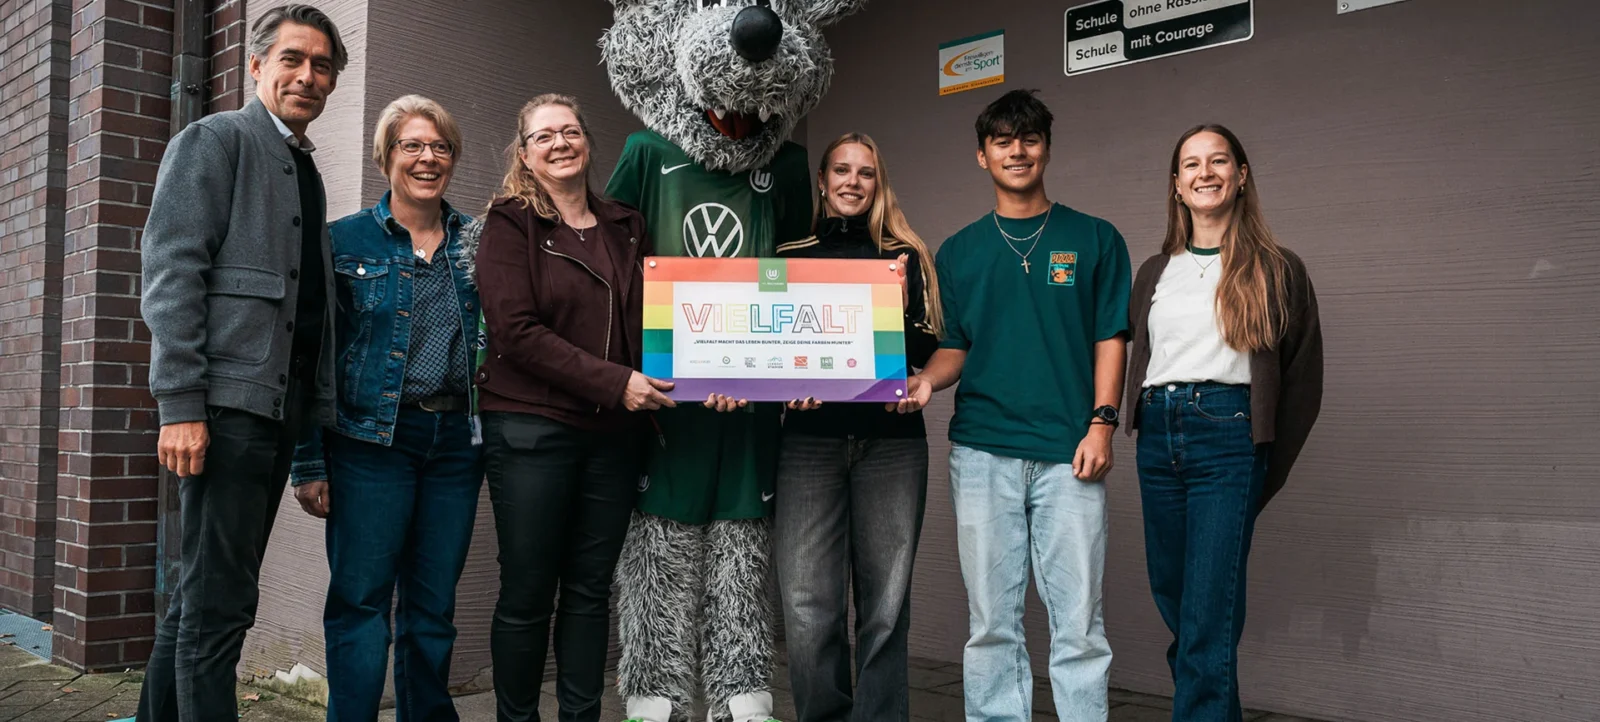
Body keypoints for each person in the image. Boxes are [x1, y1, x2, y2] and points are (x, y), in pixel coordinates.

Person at [133, 5, 346, 721]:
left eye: (322, 65)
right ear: (256, 66)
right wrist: (181, 406)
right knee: (220, 611)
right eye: (292, 59)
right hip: (225, 412)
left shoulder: (300, 167)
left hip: (273, 413)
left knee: (202, 599)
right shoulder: (216, 140)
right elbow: (171, 274)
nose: (307, 76)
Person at [902, 89, 1132, 722]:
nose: (1017, 150)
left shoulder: (1095, 237)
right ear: (982, 157)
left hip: (1069, 454)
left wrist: (1102, 424)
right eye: (1003, 141)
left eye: (1029, 139)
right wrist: (925, 381)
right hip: (981, 455)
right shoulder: (958, 251)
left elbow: (1110, 337)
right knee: (992, 623)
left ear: (1047, 149)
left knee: (1079, 624)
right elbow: (956, 348)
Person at [472, 94, 670, 722]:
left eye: (570, 131)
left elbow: (653, 323)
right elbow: (515, 332)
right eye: (543, 136)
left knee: (589, 594)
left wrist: (711, 371)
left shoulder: (626, 224)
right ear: (524, 154)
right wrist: (615, 383)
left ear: (587, 142)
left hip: (613, 436)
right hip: (532, 430)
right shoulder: (510, 222)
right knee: (529, 592)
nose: (560, 143)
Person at [286, 95, 482, 722]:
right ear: (386, 157)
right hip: (369, 445)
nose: (428, 159)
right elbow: (310, 353)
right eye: (412, 146)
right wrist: (308, 459)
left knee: (433, 606)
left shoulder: (479, 245)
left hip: (454, 444)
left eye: (440, 147)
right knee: (362, 602)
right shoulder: (343, 241)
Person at [1124, 124, 1323, 722]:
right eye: (1191, 164)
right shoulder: (1153, 272)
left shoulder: (1277, 268)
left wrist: (1261, 467)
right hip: (1157, 437)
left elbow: (1303, 384)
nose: (1204, 172)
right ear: (1176, 186)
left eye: (1218, 161)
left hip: (1230, 438)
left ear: (1240, 177)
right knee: (1180, 603)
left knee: (1208, 614)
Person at [771, 132, 941, 722]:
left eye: (865, 173)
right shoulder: (787, 255)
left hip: (891, 444)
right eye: (841, 170)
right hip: (808, 445)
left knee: (885, 607)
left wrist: (910, 371)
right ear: (822, 181)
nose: (852, 181)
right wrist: (786, 387)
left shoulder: (904, 256)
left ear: (878, 183)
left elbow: (924, 348)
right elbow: (769, 350)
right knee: (807, 604)